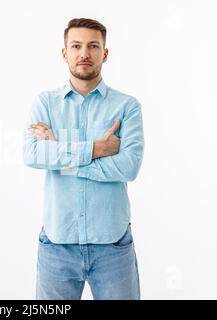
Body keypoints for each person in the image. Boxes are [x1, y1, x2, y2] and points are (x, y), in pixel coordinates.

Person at [23, 18, 145, 300]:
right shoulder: (45, 103)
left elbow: (129, 166)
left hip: (112, 244)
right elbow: (31, 154)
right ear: (64, 53)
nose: (84, 53)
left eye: (93, 46)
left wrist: (61, 154)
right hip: (57, 244)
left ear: (105, 53)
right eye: (76, 46)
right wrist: (96, 149)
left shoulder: (127, 107)